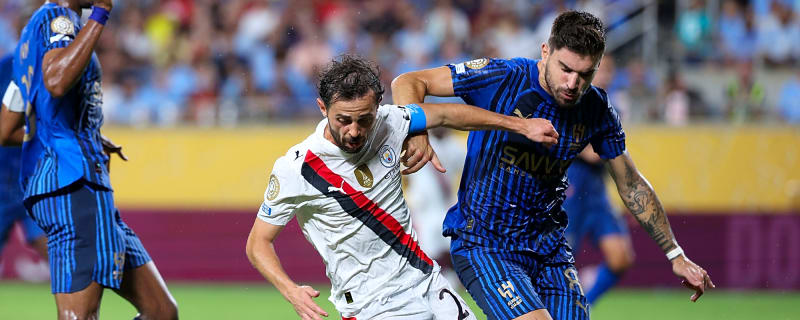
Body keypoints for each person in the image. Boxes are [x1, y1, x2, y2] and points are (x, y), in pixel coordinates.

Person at [392, 10, 714, 320]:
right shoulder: (503, 77)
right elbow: (408, 82)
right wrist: (416, 132)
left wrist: (675, 254)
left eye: (585, 74)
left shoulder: (597, 109)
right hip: (486, 244)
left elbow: (631, 184)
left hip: (549, 250)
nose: (573, 83)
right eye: (565, 69)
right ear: (545, 52)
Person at [245, 55, 559, 320]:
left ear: (378, 108)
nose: (354, 131)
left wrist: (520, 125)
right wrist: (291, 291)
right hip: (374, 305)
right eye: (343, 120)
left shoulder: (391, 122)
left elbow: (449, 114)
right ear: (321, 108)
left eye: (364, 120)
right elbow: (258, 243)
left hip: (427, 281)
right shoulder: (297, 168)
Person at [12, 1, 177, 319]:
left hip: (75, 182)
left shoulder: (29, 36)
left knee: (161, 312)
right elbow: (57, 80)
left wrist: (83, 134)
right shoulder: (59, 20)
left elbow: (8, 125)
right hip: (74, 183)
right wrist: (100, 12)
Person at [563, 146, 634, 305]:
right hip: (570, 188)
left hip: (597, 192)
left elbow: (611, 149)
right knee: (560, 259)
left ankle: (584, 305)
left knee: (621, 258)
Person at [0, 53, 48, 266]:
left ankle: (76, 289)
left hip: (33, 174)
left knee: (47, 241)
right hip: (8, 174)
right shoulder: (9, 67)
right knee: (48, 241)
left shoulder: (52, 63)